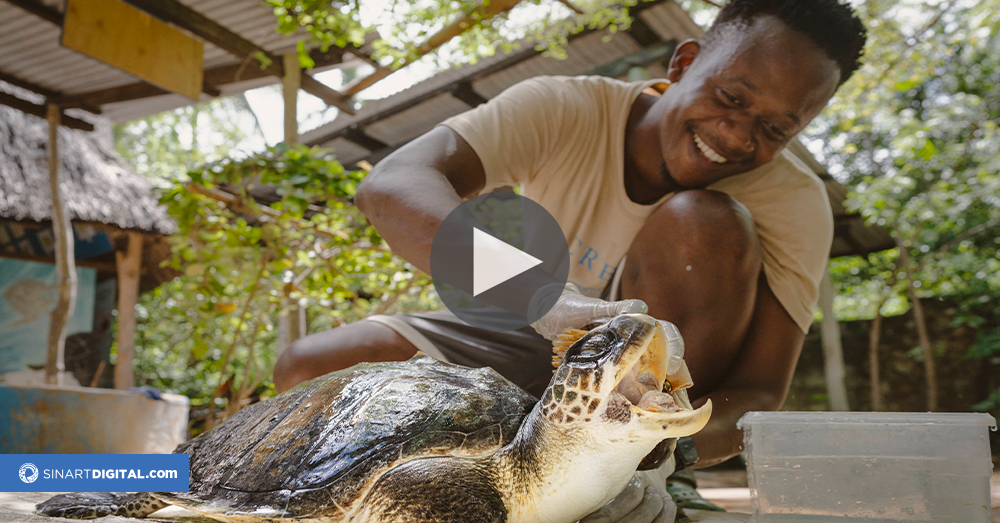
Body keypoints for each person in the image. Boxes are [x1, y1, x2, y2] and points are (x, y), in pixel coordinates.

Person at [274, 0, 867, 521]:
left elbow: (760, 390)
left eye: (775, 128)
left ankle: (647, 477)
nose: (738, 137)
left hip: (645, 395)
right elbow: (393, 184)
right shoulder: (564, 108)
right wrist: (543, 300)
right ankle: (195, 480)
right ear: (683, 64)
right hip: (530, 324)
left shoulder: (794, 202)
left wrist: (663, 452)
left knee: (702, 220)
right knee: (310, 370)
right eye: (730, 97)